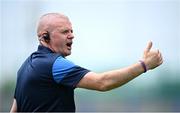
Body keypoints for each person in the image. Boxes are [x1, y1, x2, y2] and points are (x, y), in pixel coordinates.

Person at [10, 13, 163, 112]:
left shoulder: (24, 68)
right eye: (65, 32)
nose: (72, 36)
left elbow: (14, 110)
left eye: (71, 31)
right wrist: (144, 65)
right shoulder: (55, 64)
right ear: (45, 36)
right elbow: (103, 82)